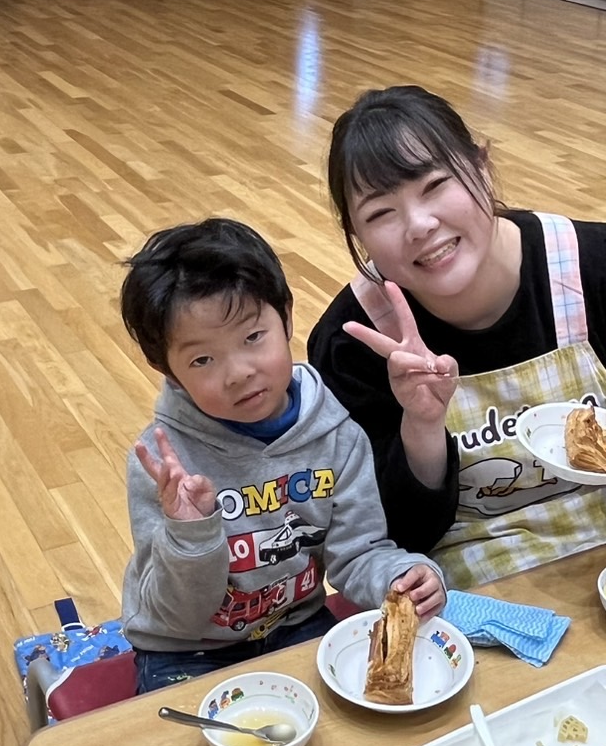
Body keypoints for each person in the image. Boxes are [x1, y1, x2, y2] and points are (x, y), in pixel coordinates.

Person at [307, 85, 606, 589]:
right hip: (475, 566)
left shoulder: (597, 265)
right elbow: (397, 533)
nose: (419, 225)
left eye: (435, 184)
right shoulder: (354, 343)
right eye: (381, 213)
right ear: (356, 233)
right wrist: (421, 425)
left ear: (482, 164)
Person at [119, 217, 445, 693]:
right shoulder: (163, 465)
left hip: (295, 623)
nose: (239, 373)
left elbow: (358, 552)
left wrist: (401, 575)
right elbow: (176, 615)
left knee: (353, 722)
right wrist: (191, 536)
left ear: (287, 317)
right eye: (202, 360)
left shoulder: (336, 436)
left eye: (253, 337)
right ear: (166, 370)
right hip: (185, 647)